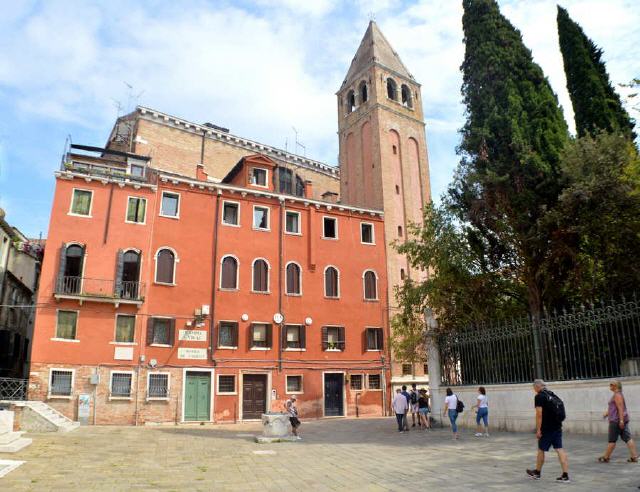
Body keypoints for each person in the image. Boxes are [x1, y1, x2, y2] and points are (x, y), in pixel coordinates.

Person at [526, 380, 570, 483]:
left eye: (534, 388)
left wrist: (538, 429)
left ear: (537, 387)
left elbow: (539, 414)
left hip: (546, 428)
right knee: (559, 449)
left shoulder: (539, 396)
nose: (534, 390)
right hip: (557, 427)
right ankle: (565, 475)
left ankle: (537, 473)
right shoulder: (551, 394)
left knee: (541, 450)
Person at [598, 380, 638, 463]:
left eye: (611, 384)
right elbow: (615, 408)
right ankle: (634, 457)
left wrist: (621, 421)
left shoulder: (617, 395)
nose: (610, 386)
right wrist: (607, 413)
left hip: (616, 421)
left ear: (616, 386)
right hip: (619, 420)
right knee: (627, 438)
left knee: (612, 440)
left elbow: (620, 408)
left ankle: (606, 457)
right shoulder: (617, 395)